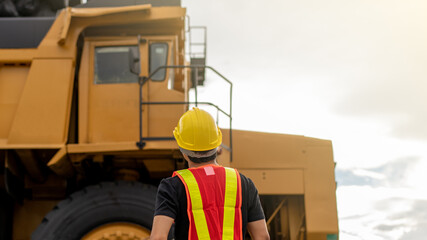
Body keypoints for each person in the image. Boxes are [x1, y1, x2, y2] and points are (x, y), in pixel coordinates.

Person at [150, 107, 270, 240]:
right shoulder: (243, 183)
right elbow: (262, 237)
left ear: (182, 148)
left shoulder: (173, 186)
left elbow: (158, 237)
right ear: (217, 143)